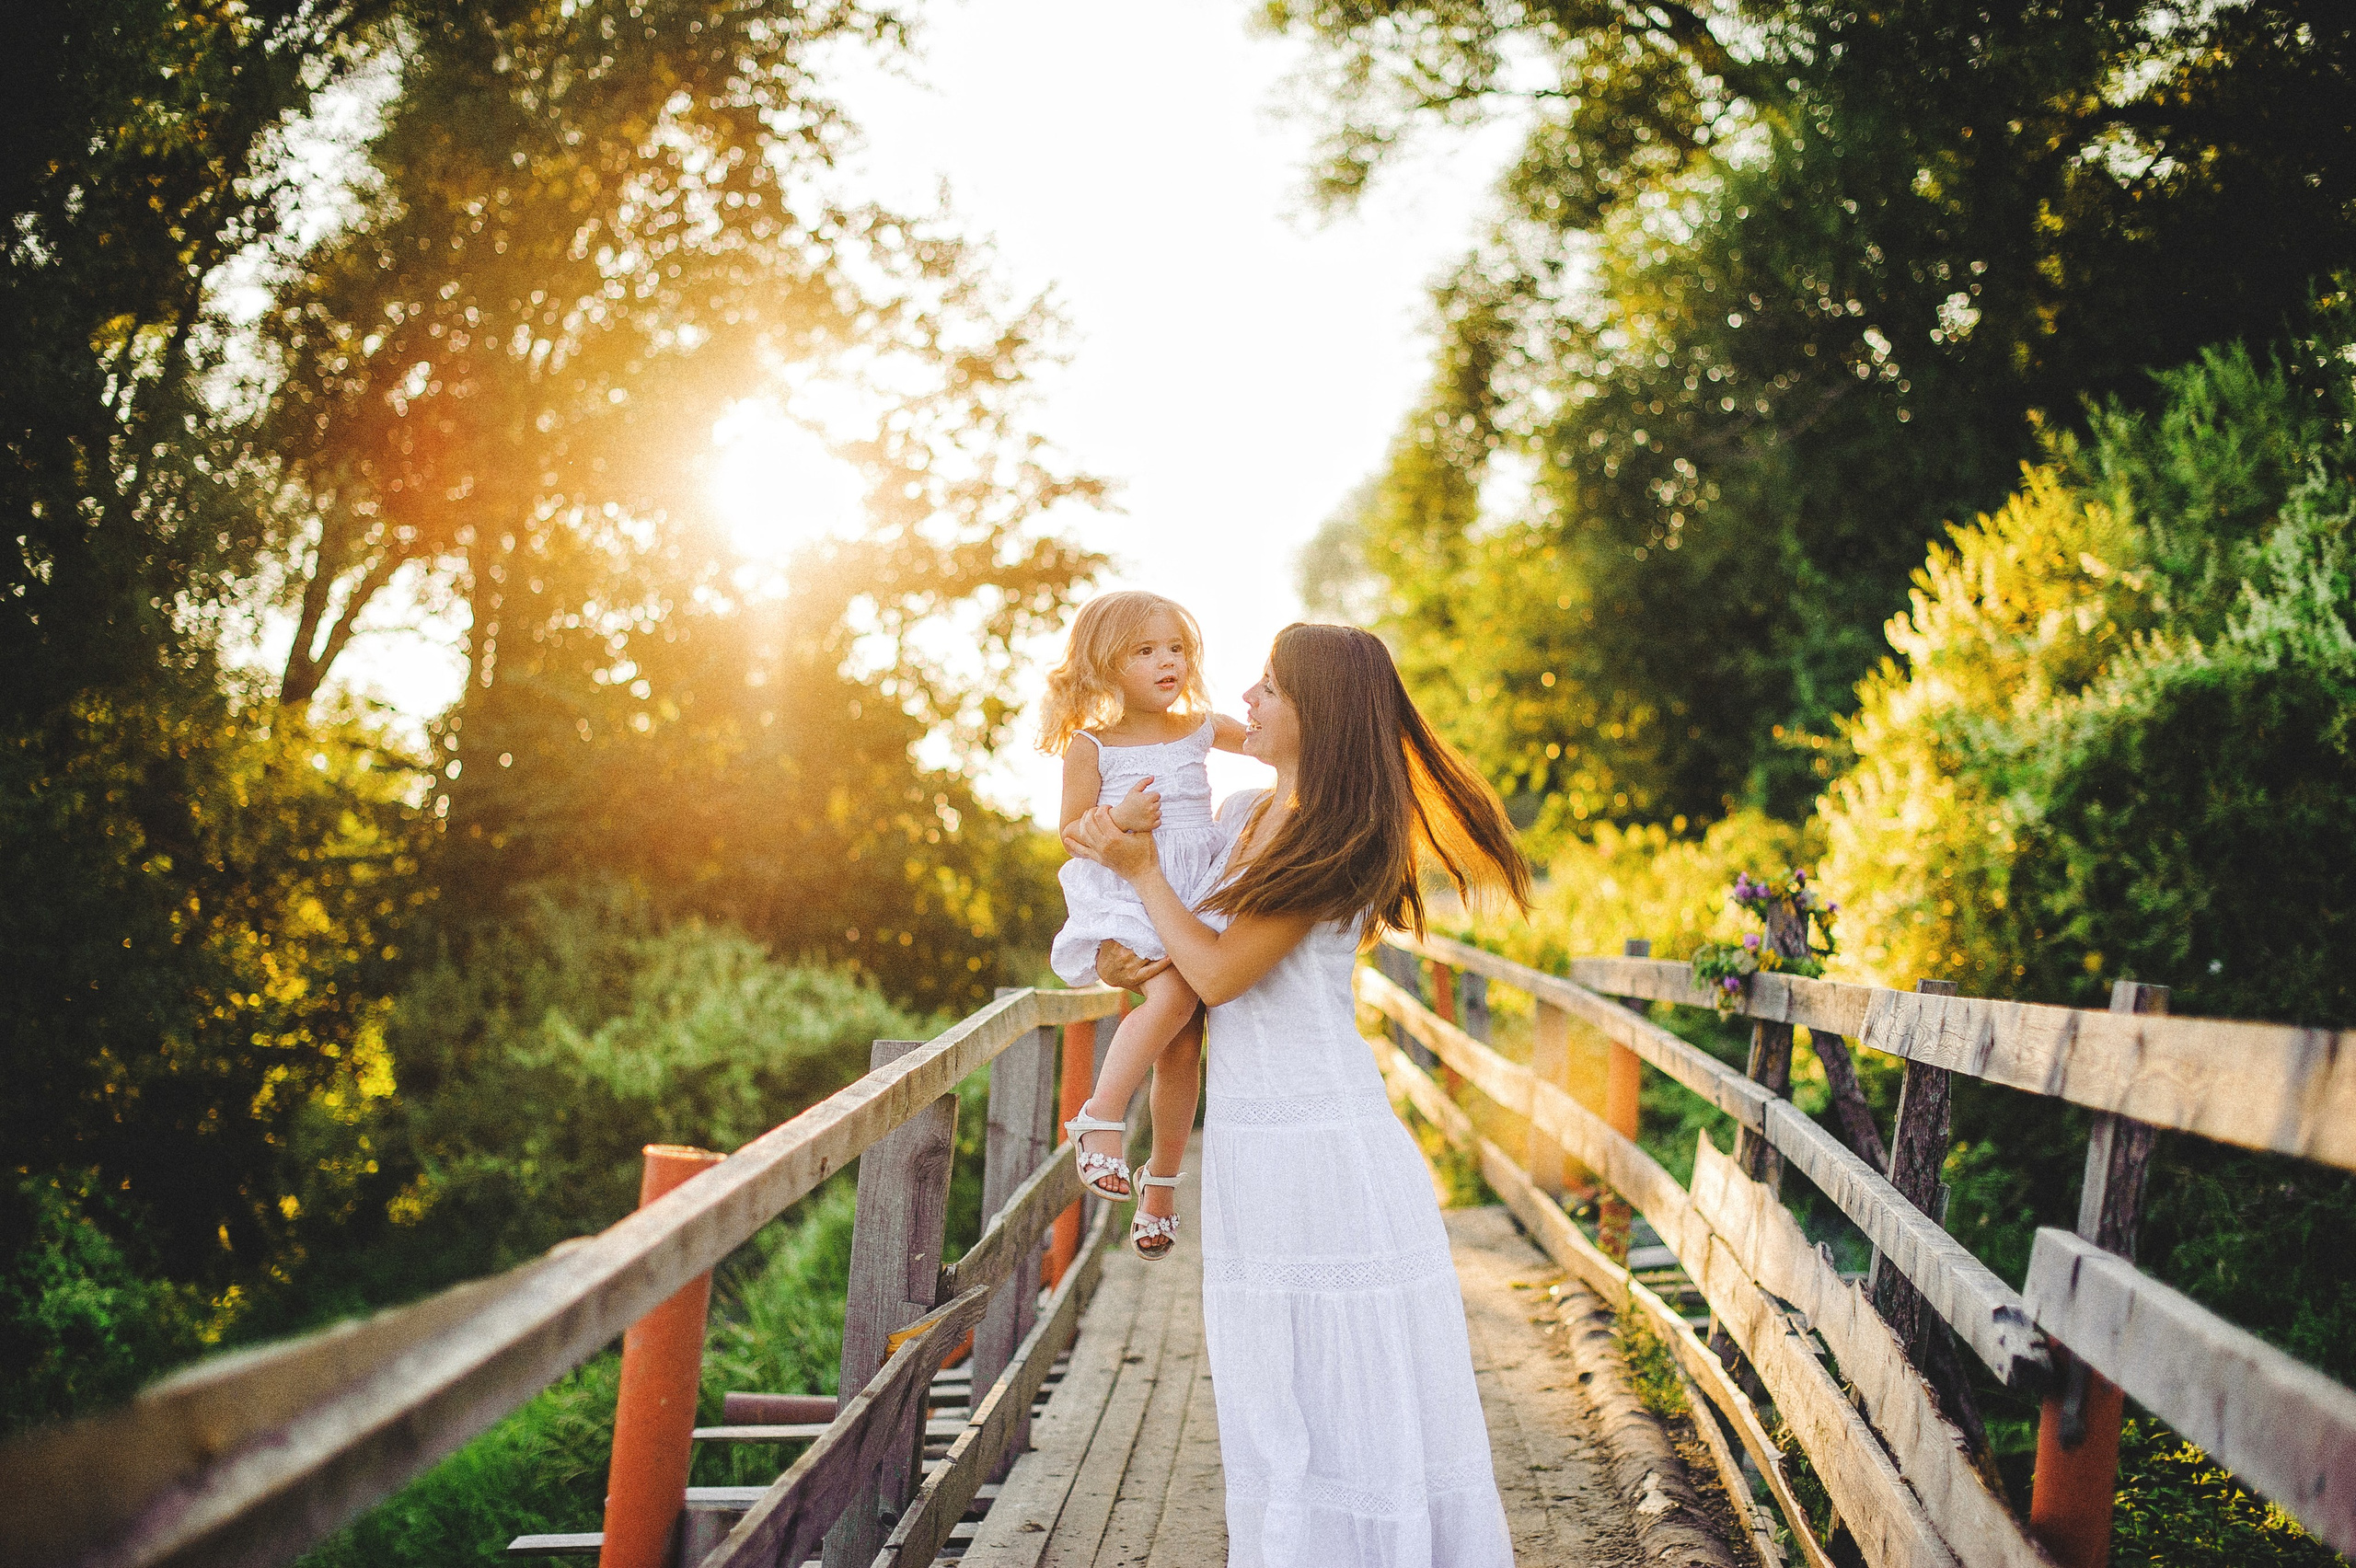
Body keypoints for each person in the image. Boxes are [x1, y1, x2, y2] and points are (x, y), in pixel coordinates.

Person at [1066, 621, 1531, 1568]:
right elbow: (1176, 963)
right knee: (1276, 1395)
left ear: (1314, 713)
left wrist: (1140, 869)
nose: (1244, 698)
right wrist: (1118, 946)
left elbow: (1221, 972)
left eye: (1269, 689)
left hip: (1324, 1144)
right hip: (1253, 1142)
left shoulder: (1340, 838)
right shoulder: (1242, 815)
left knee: (1346, 1398)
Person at [1040, 591, 1249, 1259]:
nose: (1168, 662)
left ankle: (1159, 1186)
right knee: (1171, 996)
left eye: (1177, 648)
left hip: (1196, 887)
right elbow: (1072, 832)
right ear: (1106, 665)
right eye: (1146, 650)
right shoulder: (1092, 746)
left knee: (1185, 1047)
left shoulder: (1201, 727)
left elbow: (1286, 745)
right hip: (1132, 884)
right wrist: (1120, 818)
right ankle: (1098, 1116)